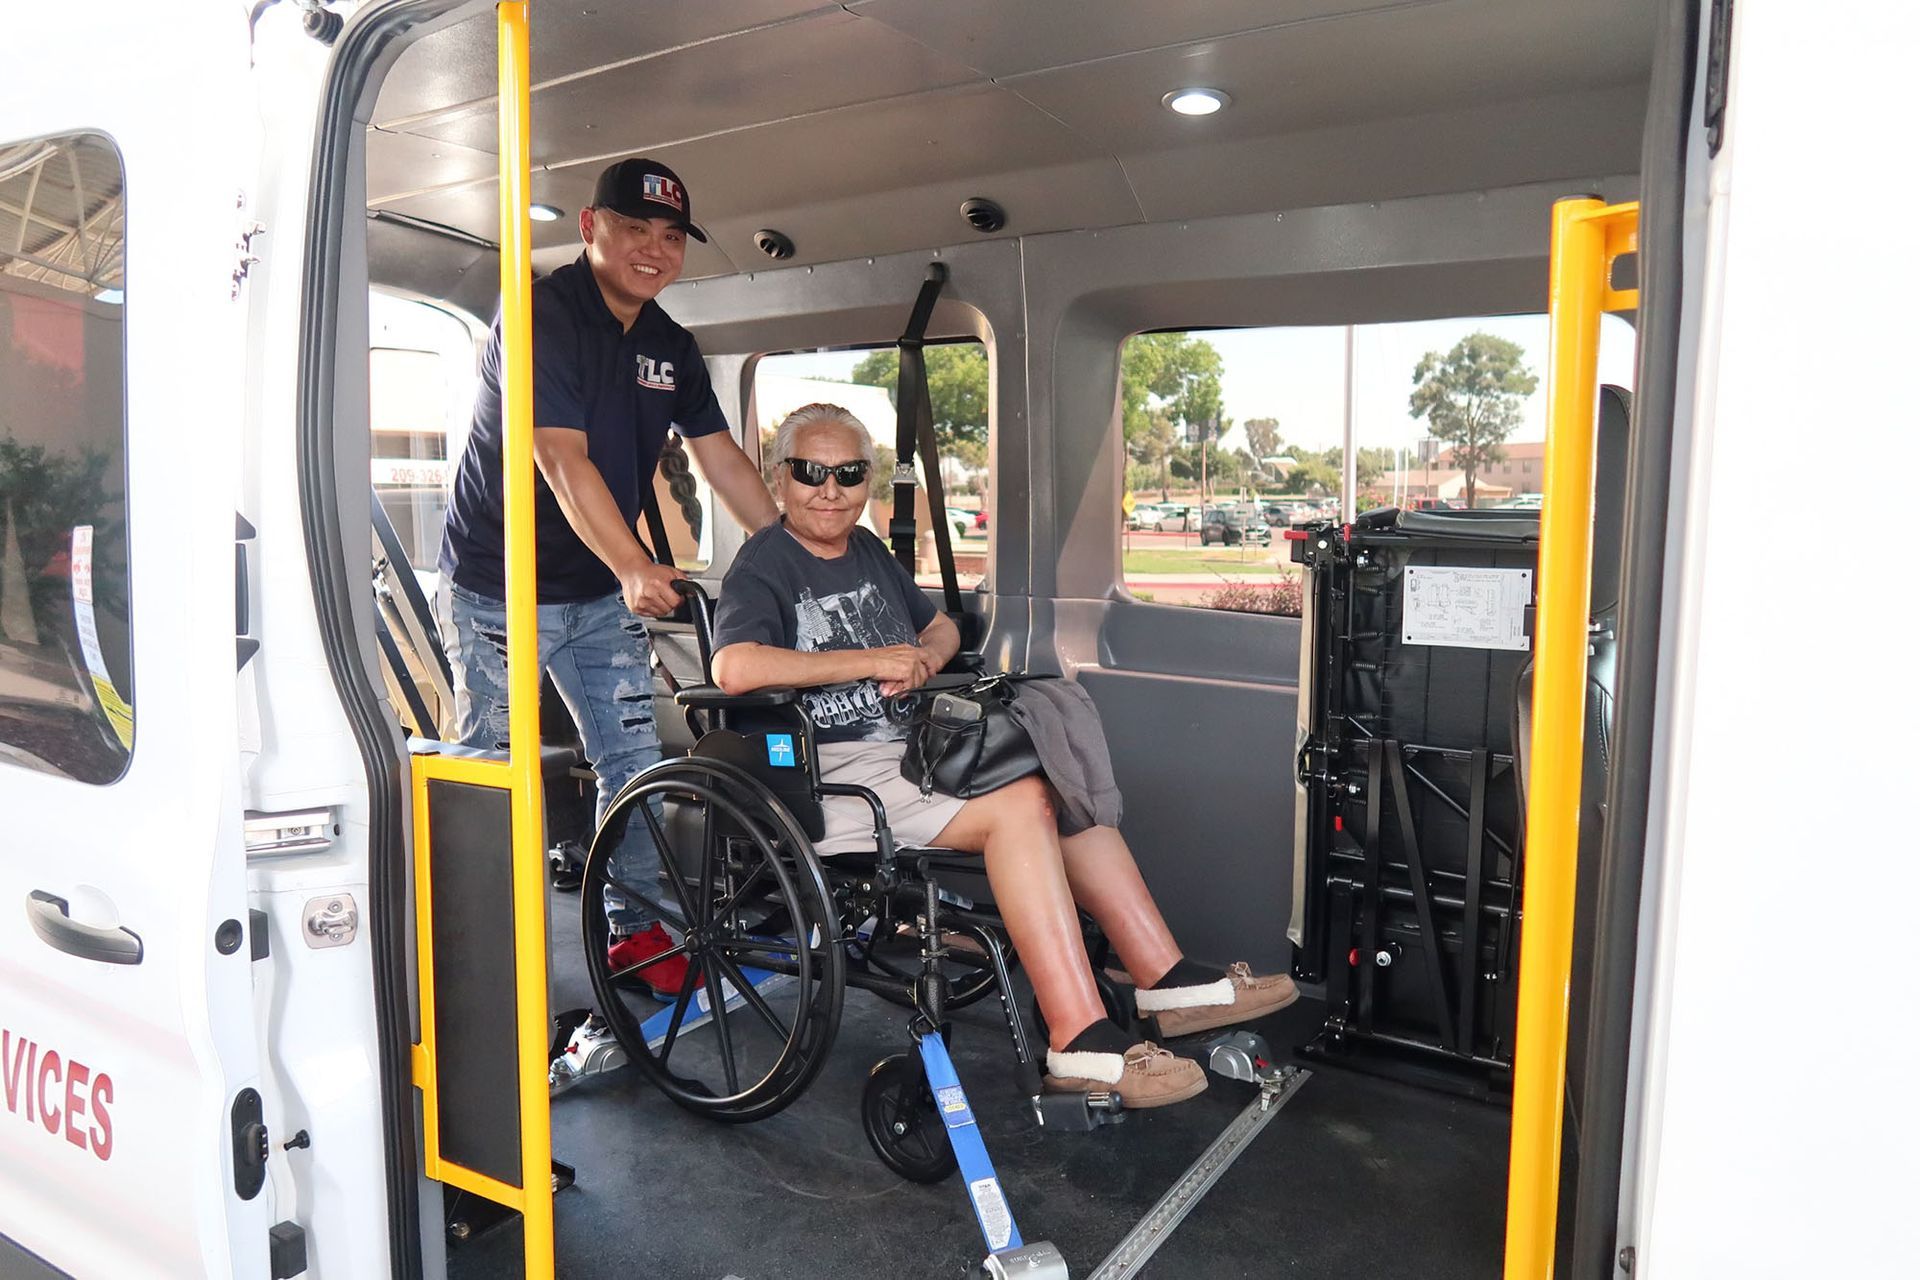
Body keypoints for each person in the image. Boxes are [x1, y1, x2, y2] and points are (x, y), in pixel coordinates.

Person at [708, 403, 1297, 1107]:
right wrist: (869, 661)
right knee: (1020, 806)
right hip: (827, 771)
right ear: (779, 479)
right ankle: (1078, 1039)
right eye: (810, 472)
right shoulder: (764, 564)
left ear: (867, 480)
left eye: (848, 473)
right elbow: (734, 669)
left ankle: (1166, 981)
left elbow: (943, 629)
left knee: (1053, 766)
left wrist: (922, 657)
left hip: (911, 749)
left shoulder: (867, 552)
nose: (829, 489)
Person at [437, 158, 778, 998]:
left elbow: (721, 458)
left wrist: (786, 553)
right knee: (490, 768)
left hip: (593, 597)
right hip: (498, 589)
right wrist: (632, 565)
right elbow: (559, 456)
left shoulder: (671, 346)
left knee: (634, 764)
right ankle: (470, 951)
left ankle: (637, 932)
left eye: (670, 237)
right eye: (634, 230)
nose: (653, 251)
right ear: (590, 228)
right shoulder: (539, 319)